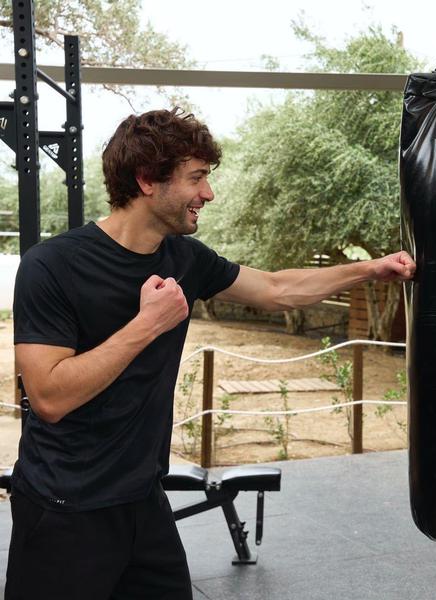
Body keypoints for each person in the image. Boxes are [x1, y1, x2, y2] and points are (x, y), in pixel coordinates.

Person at [5, 108, 415, 600]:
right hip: (63, 507)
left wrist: (370, 269)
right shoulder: (52, 265)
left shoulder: (185, 258)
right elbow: (49, 396)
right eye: (196, 177)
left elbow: (277, 288)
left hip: (142, 501)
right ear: (147, 180)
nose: (209, 193)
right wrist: (147, 325)